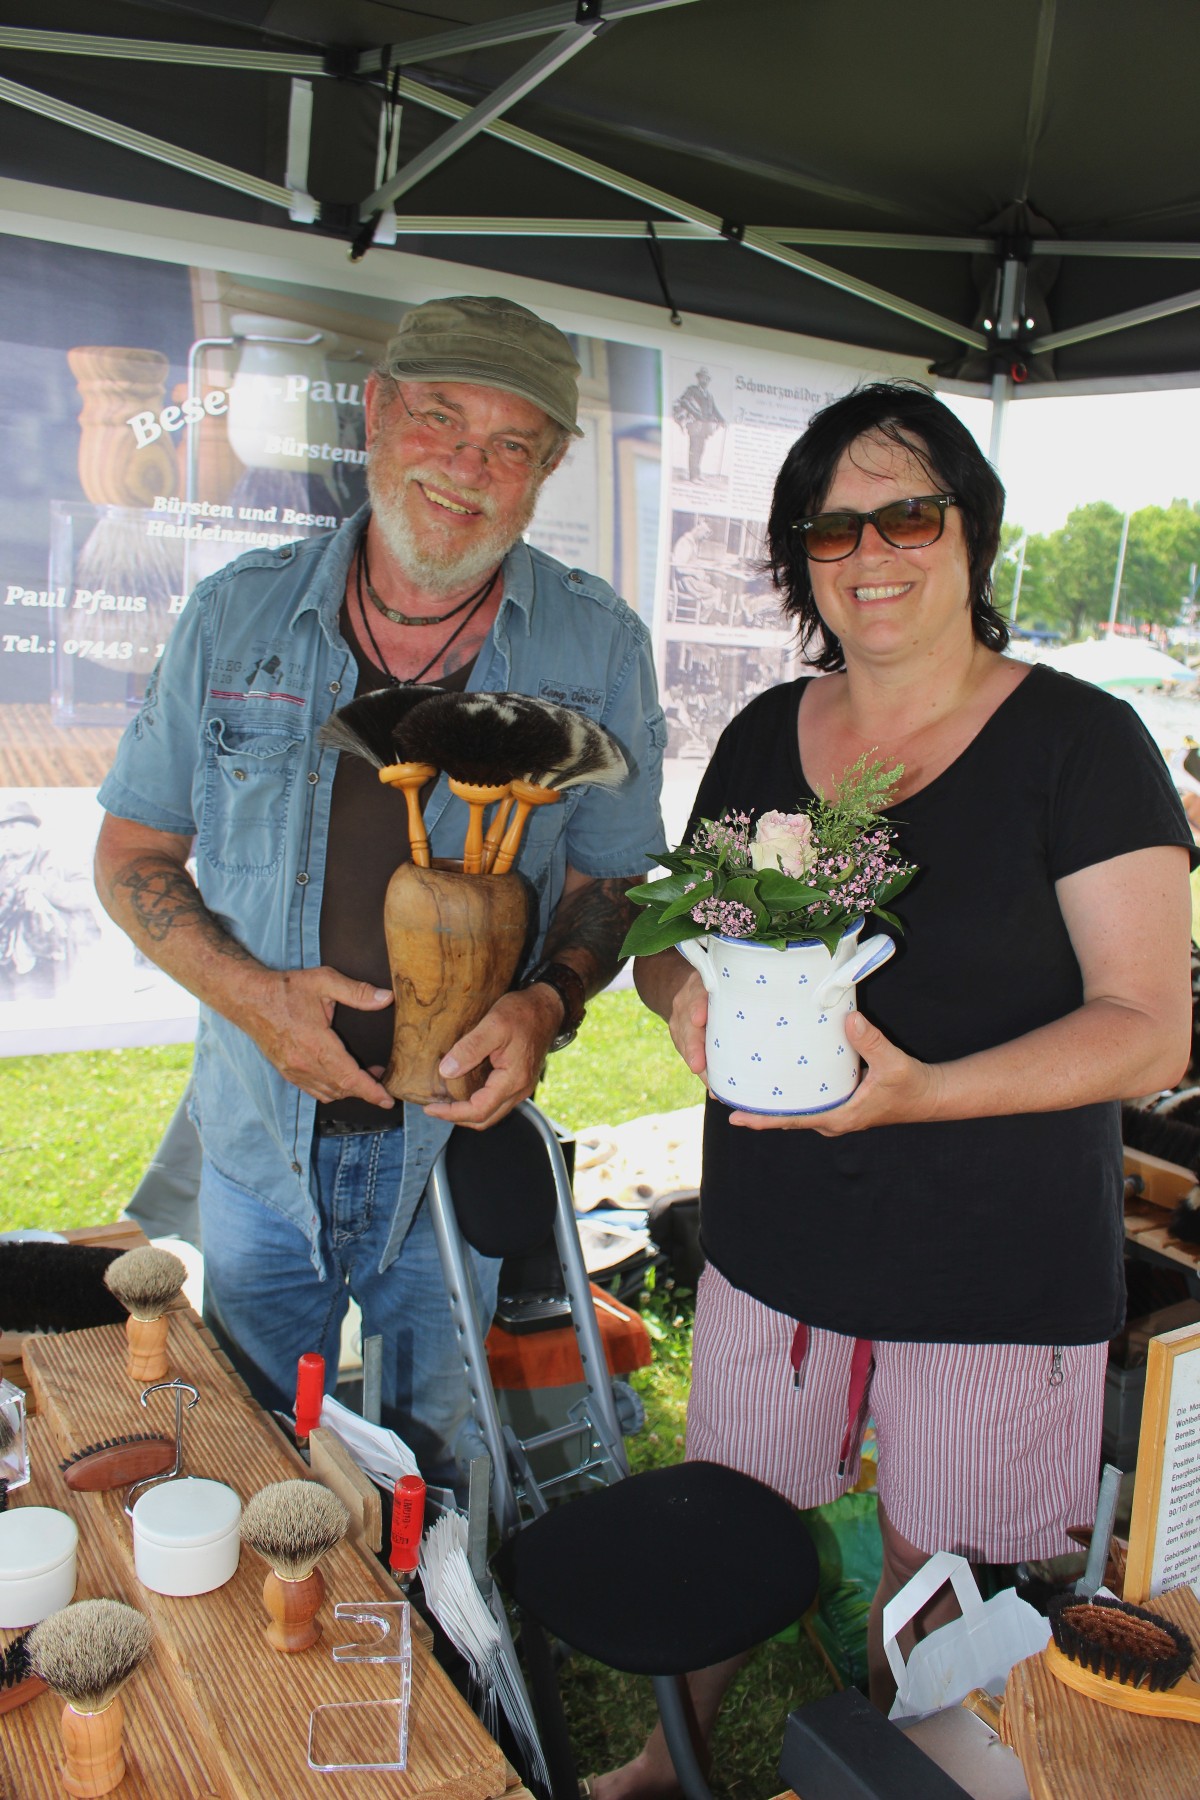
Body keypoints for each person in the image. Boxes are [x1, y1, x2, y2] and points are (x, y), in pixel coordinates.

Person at [599, 380, 1194, 1796]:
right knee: (737, 1519)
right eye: (832, 526)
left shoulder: (1082, 743)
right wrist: (684, 992)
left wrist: (925, 1092)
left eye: (908, 514)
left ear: (972, 534)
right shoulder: (762, 736)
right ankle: (661, 1764)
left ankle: (871, 1771)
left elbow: (1149, 1031)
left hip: (993, 1262)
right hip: (777, 1239)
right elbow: (672, 937)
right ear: (802, 559)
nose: (872, 552)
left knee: (937, 1573)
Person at [94, 294, 666, 1490]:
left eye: (511, 446)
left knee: (438, 1481)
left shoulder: (593, 644)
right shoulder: (237, 616)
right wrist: (257, 1000)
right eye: (441, 421)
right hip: (260, 1146)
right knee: (260, 1465)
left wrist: (547, 1006)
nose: (466, 469)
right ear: (377, 413)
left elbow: (614, 881)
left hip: (447, 1162)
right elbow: (133, 856)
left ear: (548, 467)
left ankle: (438, 1654)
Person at [672, 367, 725, 483]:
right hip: (694, 424)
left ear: (708, 380)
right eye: (702, 378)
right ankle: (693, 476)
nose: (704, 380)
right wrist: (696, 413)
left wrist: (722, 420)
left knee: (701, 449)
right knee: (694, 449)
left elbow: (714, 409)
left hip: (705, 426)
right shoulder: (692, 390)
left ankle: (697, 473)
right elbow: (684, 402)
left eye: (706, 378)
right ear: (698, 378)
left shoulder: (709, 395)